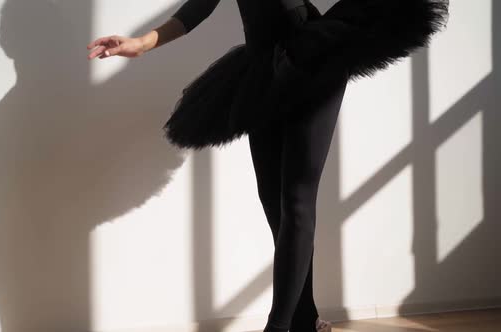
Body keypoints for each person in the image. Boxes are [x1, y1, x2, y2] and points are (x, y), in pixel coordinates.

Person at [87, 1, 449, 331]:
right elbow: (198, 6)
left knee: (296, 199)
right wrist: (141, 43)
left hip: (315, 58)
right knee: (271, 198)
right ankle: (305, 318)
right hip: (263, 68)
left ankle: (277, 327)